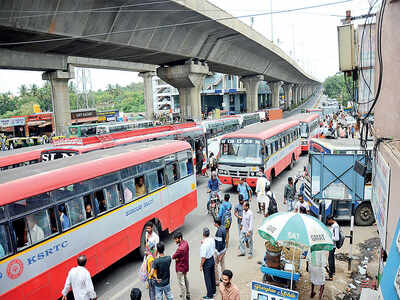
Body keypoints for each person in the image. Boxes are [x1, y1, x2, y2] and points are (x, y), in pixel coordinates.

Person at [172, 232, 190, 300]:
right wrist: (179, 257)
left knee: (181, 284)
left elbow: (173, 256)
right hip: (185, 265)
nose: (175, 241)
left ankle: (184, 297)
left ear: (180, 238)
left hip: (180, 267)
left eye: (176, 239)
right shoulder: (186, 243)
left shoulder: (180, 249)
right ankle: (188, 294)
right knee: (185, 280)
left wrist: (177, 258)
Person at [200, 227, 216, 299]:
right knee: (212, 275)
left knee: (207, 278)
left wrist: (201, 265)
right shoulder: (212, 239)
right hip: (212, 259)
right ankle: (214, 291)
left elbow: (203, 257)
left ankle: (210, 295)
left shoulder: (204, 245)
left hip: (207, 262)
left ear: (203, 234)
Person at [326, 216, 340, 280]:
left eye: (328, 221)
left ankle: (331, 275)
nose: (328, 222)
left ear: (331, 220)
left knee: (330, 260)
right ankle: (333, 271)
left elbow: (337, 238)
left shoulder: (335, 226)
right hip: (331, 245)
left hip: (332, 245)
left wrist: (330, 237)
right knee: (331, 258)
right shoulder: (334, 225)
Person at [214, 218, 226, 287]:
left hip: (220, 251)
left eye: (214, 222)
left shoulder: (219, 232)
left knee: (215, 265)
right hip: (224, 249)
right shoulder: (223, 228)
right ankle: (224, 278)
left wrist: (219, 254)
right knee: (223, 265)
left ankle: (217, 281)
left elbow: (219, 243)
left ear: (216, 224)